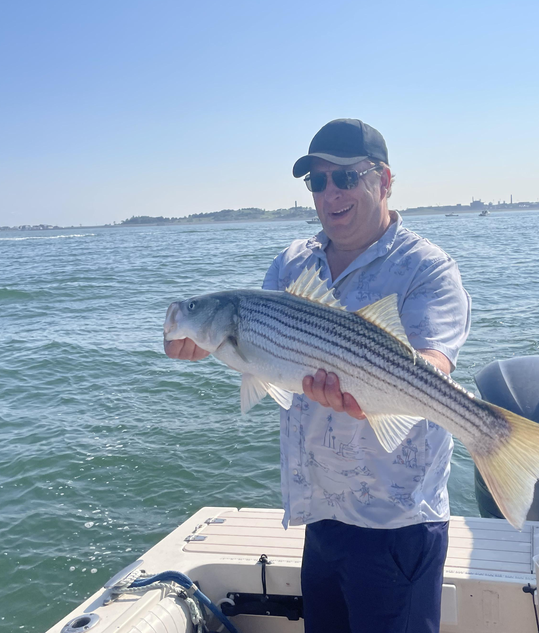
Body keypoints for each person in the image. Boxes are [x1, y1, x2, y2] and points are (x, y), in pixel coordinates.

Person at [165, 118, 471, 633]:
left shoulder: (427, 266)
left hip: (396, 521)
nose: (330, 193)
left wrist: (380, 380)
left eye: (346, 178)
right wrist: (204, 348)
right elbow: (266, 367)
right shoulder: (290, 264)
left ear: (385, 180)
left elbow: (435, 359)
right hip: (320, 513)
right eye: (317, 181)